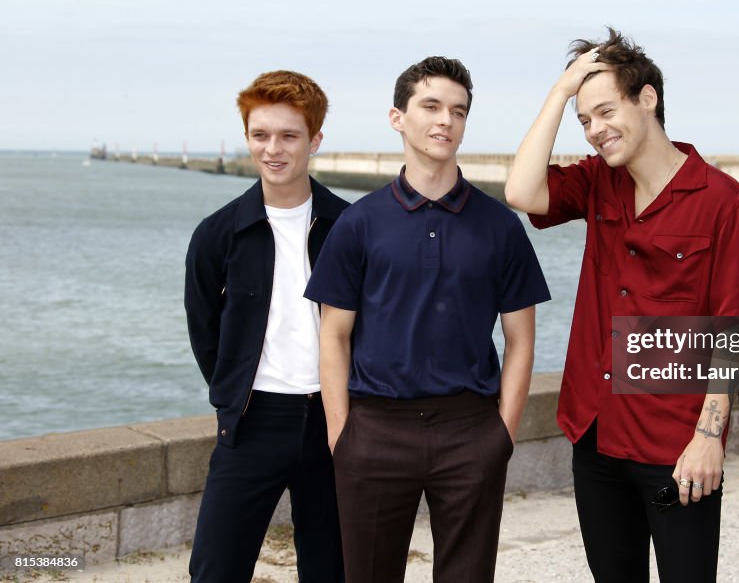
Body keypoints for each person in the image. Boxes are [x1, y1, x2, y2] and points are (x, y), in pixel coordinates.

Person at [504, 29, 739, 582]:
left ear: (647, 99)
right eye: (584, 121)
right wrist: (559, 93)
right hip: (594, 430)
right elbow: (522, 194)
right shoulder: (598, 182)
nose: (596, 131)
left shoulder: (722, 202)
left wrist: (709, 436)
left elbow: (736, 328)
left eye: (605, 111)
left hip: (675, 444)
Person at [305, 56, 550, 583]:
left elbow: (521, 340)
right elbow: (333, 335)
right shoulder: (357, 223)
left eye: (458, 111)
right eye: (431, 106)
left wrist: (501, 434)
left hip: (470, 429)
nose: (446, 121)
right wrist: (340, 434)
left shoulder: (500, 227)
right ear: (398, 117)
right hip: (374, 429)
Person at [184, 70, 347, 582]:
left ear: (314, 140)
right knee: (215, 570)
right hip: (252, 421)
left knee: (334, 571)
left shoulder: (351, 227)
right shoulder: (217, 234)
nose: (273, 149)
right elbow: (204, 331)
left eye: (289, 135)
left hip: (336, 421)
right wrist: (232, 391)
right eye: (261, 135)